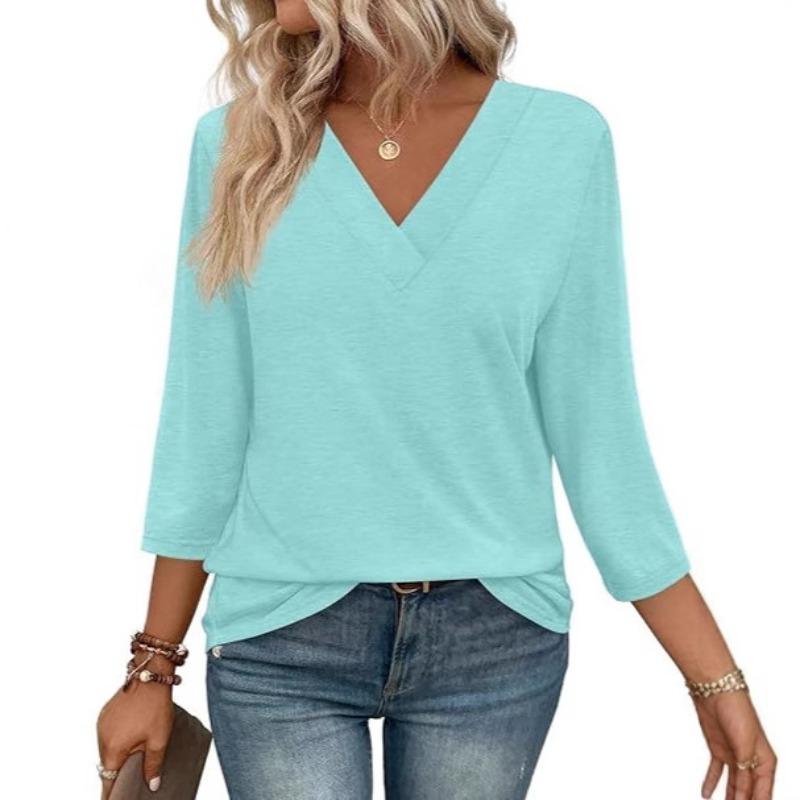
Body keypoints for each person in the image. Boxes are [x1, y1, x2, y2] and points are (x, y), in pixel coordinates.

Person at [96, 1, 778, 798]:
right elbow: (207, 421)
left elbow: (598, 429)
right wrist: (152, 666)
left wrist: (714, 679)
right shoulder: (241, 145)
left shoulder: (561, 142)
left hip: (494, 640)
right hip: (279, 637)